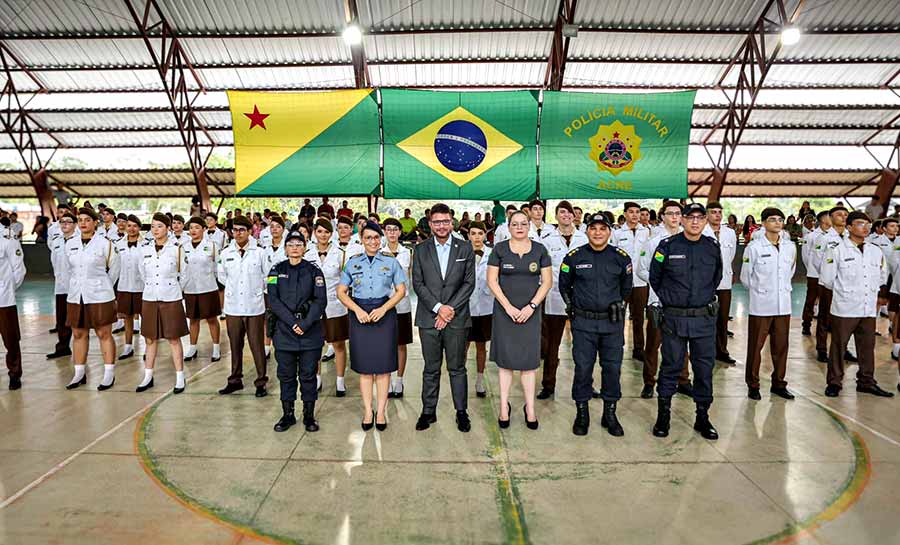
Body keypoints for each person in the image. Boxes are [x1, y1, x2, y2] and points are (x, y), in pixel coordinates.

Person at [649, 203, 723, 440]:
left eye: (700, 218)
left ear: (705, 221)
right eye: (690, 217)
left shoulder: (712, 247)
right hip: (674, 319)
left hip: (703, 319)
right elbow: (655, 277)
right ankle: (664, 416)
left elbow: (717, 277)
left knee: (704, 370)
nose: (695, 222)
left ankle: (703, 417)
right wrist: (673, 300)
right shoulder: (667, 246)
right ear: (681, 220)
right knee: (671, 367)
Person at [558, 212, 632, 436]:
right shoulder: (574, 257)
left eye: (602, 229)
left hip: (611, 325)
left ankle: (610, 413)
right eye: (593, 228)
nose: (598, 233)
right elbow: (564, 286)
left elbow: (626, 287)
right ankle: (582, 413)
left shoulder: (621, 257)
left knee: (611, 368)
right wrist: (572, 307)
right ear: (587, 231)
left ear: (610, 231)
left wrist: (619, 304)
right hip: (583, 325)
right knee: (583, 369)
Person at [412, 203, 476, 432]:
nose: (441, 226)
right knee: (431, 368)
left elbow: (469, 283)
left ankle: (461, 412)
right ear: (430, 224)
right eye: (436, 222)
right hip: (429, 319)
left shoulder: (465, 248)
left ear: (452, 222)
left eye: (445, 221)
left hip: (457, 319)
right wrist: (439, 307)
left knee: (457, 367)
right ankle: (428, 412)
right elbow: (417, 284)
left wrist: (449, 310)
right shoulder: (420, 250)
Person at [337, 221, 407, 432]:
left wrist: (384, 309)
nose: (373, 241)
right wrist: (356, 310)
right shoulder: (352, 263)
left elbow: (401, 290)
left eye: (376, 237)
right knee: (365, 370)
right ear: (361, 240)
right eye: (368, 237)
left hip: (383, 315)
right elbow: (341, 291)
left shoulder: (391, 262)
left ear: (381, 239)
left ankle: (382, 411)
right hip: (360, 315)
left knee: (384, 368)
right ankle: (369, 410)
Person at [487, 210, 552, 431]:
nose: (519, 227)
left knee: (529, 363)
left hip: (531, 314)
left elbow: (547, 282)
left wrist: (531, 306)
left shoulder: (540, 250)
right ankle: (504, 407)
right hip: (505, 313)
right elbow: (492, 281)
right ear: (508, 226)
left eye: (524, 223)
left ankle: (530, 408)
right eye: (515, 224)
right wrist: (509, 307)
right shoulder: (499, 250)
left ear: (529, 225)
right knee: (505, 363)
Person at [819, 211, 894, 398]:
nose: (866, 227)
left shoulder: (875, 251)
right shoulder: (837, 249)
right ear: (849, 227)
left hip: (868, 308)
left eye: (868, 224)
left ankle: (866, 381)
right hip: (845, 307)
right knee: (838, 347)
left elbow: (882, 276)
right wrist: (846, 292)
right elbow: (827, 280)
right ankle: (834, 382)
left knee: (867, 347)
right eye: (861, 224)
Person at [269, 231, 327, 433]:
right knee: (286, 376)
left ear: (304, 248)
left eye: (298, 244)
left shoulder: (314, 271)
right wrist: (292, 322)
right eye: (290, 244)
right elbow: (273, 301)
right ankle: (288, 414)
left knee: (308, 376)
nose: (294, 247)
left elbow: (321, 301)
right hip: (284, 332)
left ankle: (309, 416)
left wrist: (304, 324)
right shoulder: (276, 271)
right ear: (285, 248)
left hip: (309, 333)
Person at [636, 202, 692, 399]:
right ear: (662, 217)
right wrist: (661, 284)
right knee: (654, 343)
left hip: (683, 302)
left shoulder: (689, 240)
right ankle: (649, 382)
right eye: (671, 214)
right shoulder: (653, 242)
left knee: (682, 341)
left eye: (678, 214)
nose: (675, 217)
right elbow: (642, 270)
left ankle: (683, 380)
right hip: (659, 301)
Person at [740, 208, 796, 401]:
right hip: (761, 304)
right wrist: (761, 291)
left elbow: (790, 271)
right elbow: (745, 277)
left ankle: (779, 383)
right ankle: (753, 384)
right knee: (756, 347)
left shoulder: (790, 247)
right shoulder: (754, 248)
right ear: (763, 223)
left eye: (780, 219)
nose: (778, 223)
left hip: (783, 305)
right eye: (772, 220)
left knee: (781, 346)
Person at [65, 207, 121, 391]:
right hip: (76, 295)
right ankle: (79, 373)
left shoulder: (105, 244)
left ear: (95, 222)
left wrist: (101, 285)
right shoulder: (70, 243)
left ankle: (108, 373)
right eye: (80, 220)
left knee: (103, 334)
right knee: (78, 334)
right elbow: (69, 269)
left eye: (87, 220)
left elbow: (114, 270)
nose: (82, 223)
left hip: (100, 295)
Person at [538, 201, 588, 399]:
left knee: (584, 346)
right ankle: (548, 385)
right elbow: (542, 271)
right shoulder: (547, 240)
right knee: (552, 346)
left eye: (569, 212)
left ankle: (586, 385)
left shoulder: (584, 239)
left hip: (582, 300)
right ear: (556, 215)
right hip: (555, 299)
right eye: (562, 212)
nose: (567, 215)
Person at [305, 218, 360, 395]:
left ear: (331, 234)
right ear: (314, 232)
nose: (323, 235)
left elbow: (345, 281)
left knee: (338, 344)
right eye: (320, 231)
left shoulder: (340, 253)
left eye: (327, 232)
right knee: (315, 344)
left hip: (335, 304)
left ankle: (340, 380)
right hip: (313, 306)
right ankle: (317, 378)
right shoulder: (307, 253)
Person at [217, 215, 270, 397]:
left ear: (249, 231)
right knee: (235, 344)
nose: (237, 233)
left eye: (242, 230)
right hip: (233, 307)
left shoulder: (260, 252)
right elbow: (221, 276)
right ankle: (235, 380)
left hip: (254, 305)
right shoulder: (225, 253)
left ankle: (261, 381)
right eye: (234, 230)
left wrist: (257, 290)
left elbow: (269, 276)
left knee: (257, 345)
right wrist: (233, 288)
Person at [136, 214, 189, 394]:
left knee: (174, 338)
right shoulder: (144, 249)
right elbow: (142, 273)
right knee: (150, 339)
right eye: (153, 226)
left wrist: (173, 288)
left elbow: (185, 275)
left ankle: (180, 376)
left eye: (159, 226)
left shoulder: (177, 249)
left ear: (168, 228)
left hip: (171, 297)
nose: (155, 229)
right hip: (150, 296)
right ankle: (148, 376)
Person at [611, 202, 650, 363]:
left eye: (637, 212)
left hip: (641, 281)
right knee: (618, 315)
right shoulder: (618, 233)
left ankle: (639, 349)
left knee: (639, 317)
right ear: (625, 214)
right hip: (622, 282)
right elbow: (613, 256)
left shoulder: (646, 232)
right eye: (631, 212)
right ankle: (616, 347)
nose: (635, 215)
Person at [813, 205, 851, 363]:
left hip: (847, 284)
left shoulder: (851, 236)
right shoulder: (824, 237)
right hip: (828, 283)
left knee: (844, 319)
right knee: (824, 317)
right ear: (831, 217)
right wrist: (828, 276)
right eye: (839, 214)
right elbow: (816, 261)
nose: (843, 217)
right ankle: (821, 349)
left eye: (845, 214)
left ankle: (844, 348)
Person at [182, 217, 222, 363]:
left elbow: (219, 266)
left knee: (211, 319)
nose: (193, 230)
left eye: (197, 227)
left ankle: (216, 347)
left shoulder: (212, 245)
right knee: (193, 319)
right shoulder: (183, 246)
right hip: (190, 288)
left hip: (208, 287)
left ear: (204, 229)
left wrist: (220, 282)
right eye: (191, 227)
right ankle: (192, 347)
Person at [381, 218, 413, 398]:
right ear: (384, 232)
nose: (392, 233)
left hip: (402, 304)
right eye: (389, 229)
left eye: (395, 229)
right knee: (386, 344)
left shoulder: (407, 252)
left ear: (400, 232)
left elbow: (409, 278)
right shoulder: (379, 252)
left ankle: (399, 380)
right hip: (384, 304)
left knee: (401, 343)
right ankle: (388, 378)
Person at [703, 202, 738, 365]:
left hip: (724, 281)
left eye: (719, 212)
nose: (717, 215)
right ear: (707, 215)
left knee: (723, 317)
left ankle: (722, 351)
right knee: (706, 318)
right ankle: (706, 351)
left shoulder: (730, 233)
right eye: (713, 212)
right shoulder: (701, 231)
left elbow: (731, 255)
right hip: (705, 282)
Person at [465, 221, 494, 398]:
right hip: (466, 307)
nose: (476, 237)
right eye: (473, 233)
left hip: (485, 306)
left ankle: (480, 379)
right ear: (468, 235)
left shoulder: (493, 254)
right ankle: (460, 377)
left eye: (479, 233)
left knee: (481, 346)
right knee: (463, 345)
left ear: (485, 235)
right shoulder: (462, 253)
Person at [114, 215, 145, 360]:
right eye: (129, 225)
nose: (131, 229)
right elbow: (115, 267)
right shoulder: (119, 245)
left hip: (141, 287)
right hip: (124, 286)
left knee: (146, 317)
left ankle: (147, 346)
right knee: (127, 317)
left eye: (135, 226)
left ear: (139, 227)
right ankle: (128, 346)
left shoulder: (146, 244)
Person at [47, 211, 76, 359]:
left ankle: (80, 350)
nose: (65, 224)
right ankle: (63, 347)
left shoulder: (79, 241)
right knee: (61, 319)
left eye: (68, 222)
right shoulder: (56, 242)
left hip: (76, 287)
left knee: (77, 322)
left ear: (75, 225)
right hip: (60, 286)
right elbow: (54, 262)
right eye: (62, 221)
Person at [0, 230, 25, 389]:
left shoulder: (7, 237)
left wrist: (8, 289)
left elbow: (19, 269)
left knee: (10, 338)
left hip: (3, 297)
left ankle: (14, 373)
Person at [800, 211, 831, 336]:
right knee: (811, 300)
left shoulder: (835, 236)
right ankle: (806, 323)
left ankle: (827, 324)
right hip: (814, 274)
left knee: (828, 301)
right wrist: (813, 270)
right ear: (823, 220)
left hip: (829, 275)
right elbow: (806, 257)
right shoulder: (811, 236)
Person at [263, 216, 287, 359]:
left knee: (283, 318)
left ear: (283, 229)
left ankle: (282, 344)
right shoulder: (264, 246)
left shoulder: (288, 245)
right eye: (272, 227)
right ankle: (267, 346)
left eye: (278, 226)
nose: (275, 229)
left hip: (284, 288)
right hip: (268, 289)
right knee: (268, 318)